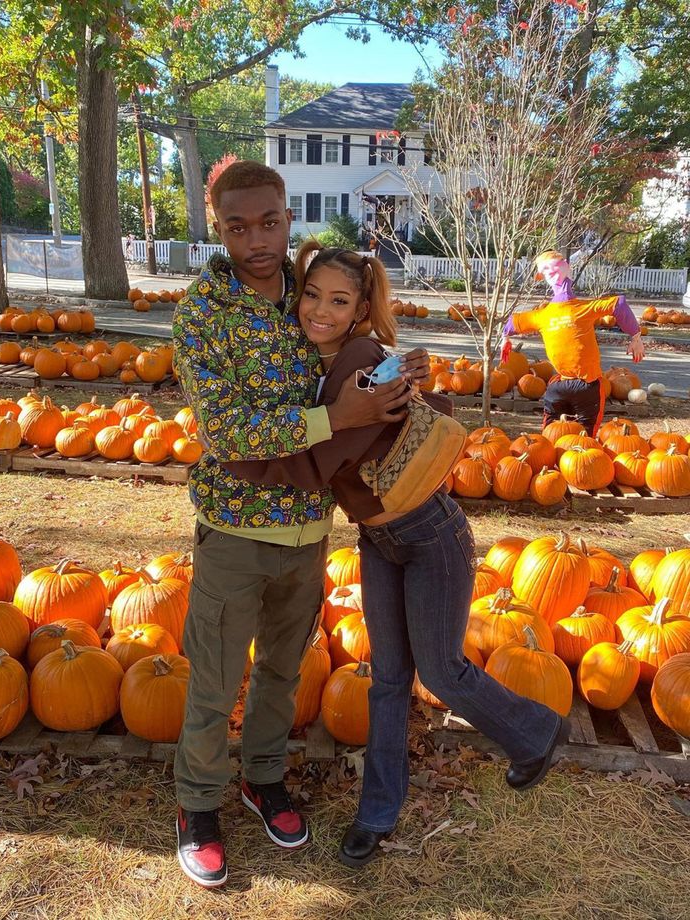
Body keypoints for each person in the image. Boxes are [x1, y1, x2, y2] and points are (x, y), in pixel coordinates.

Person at [226, 240, 570, 870]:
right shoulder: (326, 361)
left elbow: (314, 467)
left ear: (359, 309)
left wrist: (232, 450)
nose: (319, 310)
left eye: (338, 300)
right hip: (381, 539)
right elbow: (414, 412)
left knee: (440, 672)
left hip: (430, 535)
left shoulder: (356, 361)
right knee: (387, 681)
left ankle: (539, 732)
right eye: (310, 295)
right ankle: (376, 816)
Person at [172, 160, 430, 889]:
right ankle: (197, 805)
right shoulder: (203, 315)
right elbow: (225, 430)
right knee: (217, 679)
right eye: (236, 226)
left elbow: (362, 362)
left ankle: (262, 778)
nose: (255, 239)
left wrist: (401, 376)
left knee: (284, 672)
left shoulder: (315, 294)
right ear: (216, 226)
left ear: (289, 217)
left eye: (269, 222)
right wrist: (332, 418)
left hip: (309, 530)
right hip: (235, 529)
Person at [501, 250, 645, 435]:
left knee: (552, 434)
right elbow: (619, 304)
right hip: (586, 386)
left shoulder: (542, 315)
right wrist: (635, 336)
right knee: (583, 439)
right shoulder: (580, 309)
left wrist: (506, 337)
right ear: (567, 269)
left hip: (562, 387)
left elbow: (513, 322)